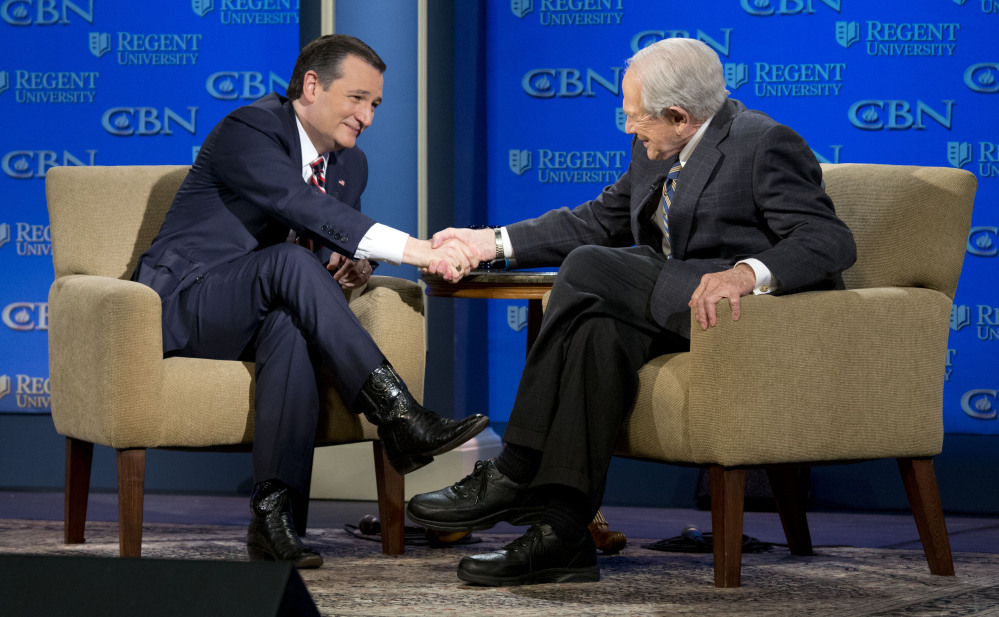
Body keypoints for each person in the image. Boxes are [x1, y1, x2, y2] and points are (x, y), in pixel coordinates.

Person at [406, 37, 857, 586]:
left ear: (679, 115)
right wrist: (490, 243)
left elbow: (828, 240)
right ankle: (561, 537)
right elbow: (595, 220)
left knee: (590, 267)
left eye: (636, 116)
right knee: (596, 328)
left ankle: (516, 466)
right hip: (664, 312)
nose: (628, 128)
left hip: (737, 326)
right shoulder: (656, 150)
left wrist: (745, 273)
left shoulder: (763, 143)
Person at [131, 34, 487, 569]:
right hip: (185, 303)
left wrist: (358, 265)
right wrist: (416, 249)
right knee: (289, 267)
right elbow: (296, 205)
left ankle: (275, 522)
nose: (367, 116)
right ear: (313, 85)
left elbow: (326, 242)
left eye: (375, 105)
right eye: (357, 98)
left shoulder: (351, 166)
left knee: (291, 326)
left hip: (258, 311)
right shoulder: (250, 129)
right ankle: (398, 413)